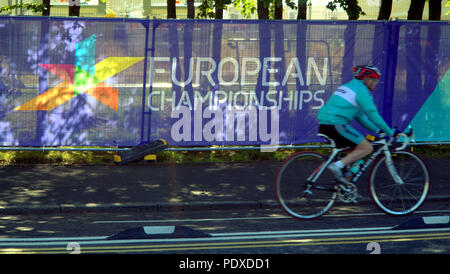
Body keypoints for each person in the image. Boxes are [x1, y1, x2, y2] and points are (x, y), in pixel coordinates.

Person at [317, 65, 396, 184]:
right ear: (367, 79)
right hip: (336, 123)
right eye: (375, 80)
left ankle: (345, 188)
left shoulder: (349, 86)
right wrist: (390, 132)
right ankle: (337, 166)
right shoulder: (361, 90)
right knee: (367, 148)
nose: (376, 83)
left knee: (355, 156)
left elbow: (361, 118)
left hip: (325, 123)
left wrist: (378, 131)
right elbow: (373, 114)